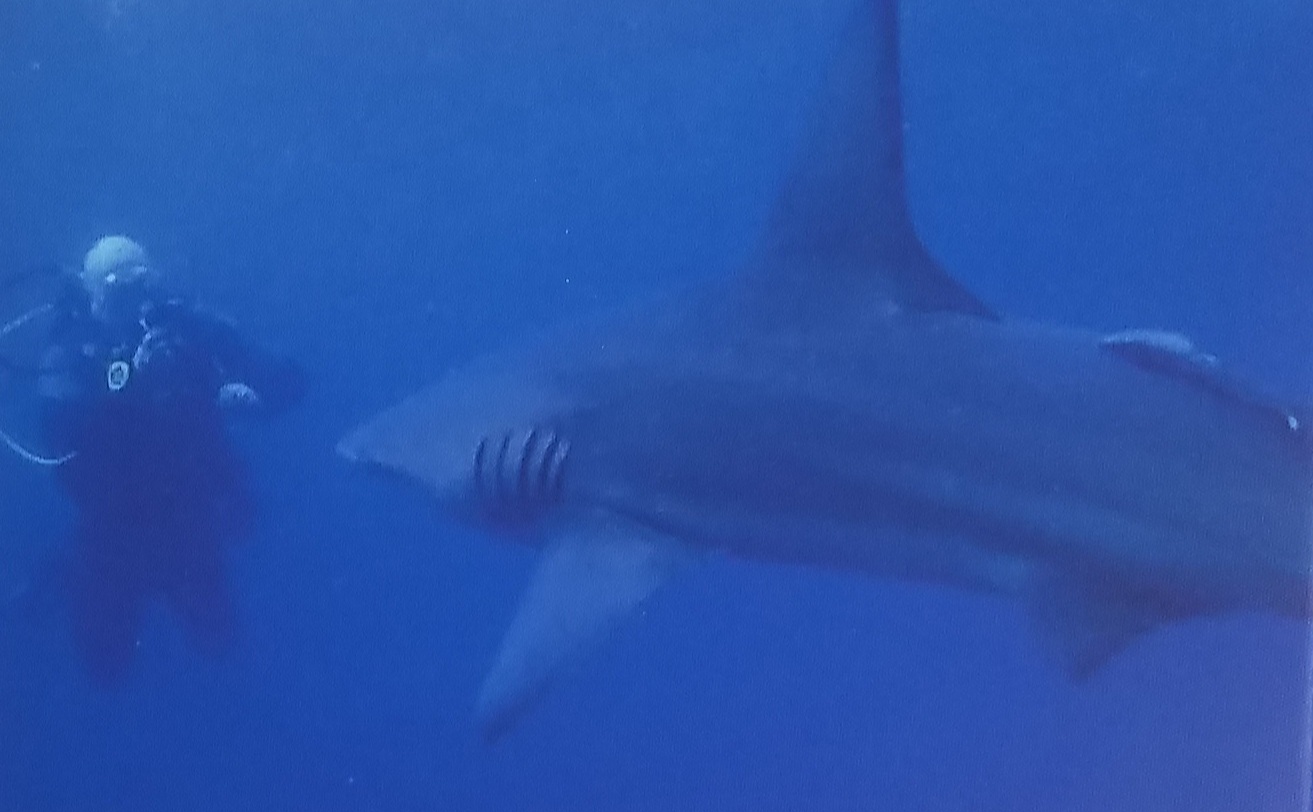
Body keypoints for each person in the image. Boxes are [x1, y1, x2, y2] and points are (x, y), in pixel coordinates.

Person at [36, 235, 305, 684]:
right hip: (113, 532)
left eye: (140, 290)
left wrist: (247, 395)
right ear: (93, 299)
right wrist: (126, 393)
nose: (132, 306)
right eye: (117, 294)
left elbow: (290, 382)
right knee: (105, 669)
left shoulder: (185, 332)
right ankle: (56, 574)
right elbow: (62, 449)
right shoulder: (73, 353)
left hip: (187, 518)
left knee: (220, 641)